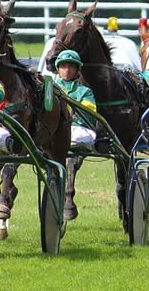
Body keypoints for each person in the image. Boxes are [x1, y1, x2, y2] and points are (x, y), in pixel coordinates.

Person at [54, 50, 97, 220]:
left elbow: (90, 112)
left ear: (77, 70)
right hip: (56, 132)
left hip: (79, 130)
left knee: (76, 137)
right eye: (63, 66)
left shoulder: (85, 92)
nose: (67, 70)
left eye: (71, 67)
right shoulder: (50, 89)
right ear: (58, 69)